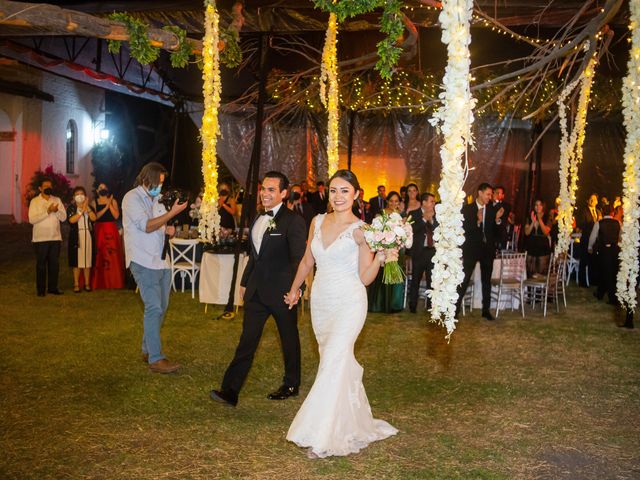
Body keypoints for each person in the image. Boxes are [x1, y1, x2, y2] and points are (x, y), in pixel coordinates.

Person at [284, 169, 398, 458]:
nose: (338, 196)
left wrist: (382, 257)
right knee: (333, 363)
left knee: (334, 360)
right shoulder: (317, 221)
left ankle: (323, 436)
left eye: (345, 191)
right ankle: (351, 422)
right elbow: (308, 260)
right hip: (321, 301)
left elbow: (365, 277)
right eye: (334, 190)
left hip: (349, 302)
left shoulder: (362, 230)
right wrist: (295, 289)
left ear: (356, 195)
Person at [210, 171, 307, 407]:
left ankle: (292, 383)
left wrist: (297, 289)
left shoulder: (293, 221)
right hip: (255, 292)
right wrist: (244, 282)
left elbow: (299, 260)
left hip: (283, 292)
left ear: (284, 194)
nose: (265, 193)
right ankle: (230, 390)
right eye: (264, 188)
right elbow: (255, 256)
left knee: (289, 338)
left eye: (271, 189)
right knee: (247, 340)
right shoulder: (257, 217)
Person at [122, 162, 188, 374]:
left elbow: (159, 225)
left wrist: (169, 229)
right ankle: (156, 359)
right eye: (157, 183)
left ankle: (147, 349)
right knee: (154, 307)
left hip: (161, 261)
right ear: (146, 179)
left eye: (161, 183)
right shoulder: (131, 198)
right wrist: (170, 215)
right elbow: (147, 225)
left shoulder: (158, 200)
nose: (160, 187)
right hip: (142, 260)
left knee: (162, 307)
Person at [455, 183, 504, 320]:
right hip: (471, 249)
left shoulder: (492, 210)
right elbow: (463, 230)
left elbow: (498, 233)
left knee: (486, 281)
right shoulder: (467, 209)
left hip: (487, 250)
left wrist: (498, 220)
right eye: (488, 194)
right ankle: (455, 309)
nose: (490, 197)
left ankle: (486, 310)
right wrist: (477, 221)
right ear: (480, 193)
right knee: (464, 279)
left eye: (491, 195)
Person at [368, 191, 406, 313]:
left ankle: (394, 304)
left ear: (399, 203)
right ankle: (380, 305)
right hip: (383, 250)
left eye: (396, 201)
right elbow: (375, 231)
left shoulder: (401, 216)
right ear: (387, 201)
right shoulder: (381, 214)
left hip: (396, 251)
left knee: (395, 276)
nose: (393, 203)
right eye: (391, 201)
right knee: (382, 277)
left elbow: (404, 234)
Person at [28, 178, 67, 296]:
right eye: (45, 185)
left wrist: (56, 211)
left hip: (55, 238)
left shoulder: (57, 200)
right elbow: (32, 219)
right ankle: (41, 290)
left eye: (50, 185)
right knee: (41, 265)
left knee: (54, 265)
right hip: (40, 239)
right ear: (40, 188)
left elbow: (64, 218)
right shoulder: (34, 201)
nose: (48, 187)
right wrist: (48, 211)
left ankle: (53, 288)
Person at [91, 182, 125, 289]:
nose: (103, 189)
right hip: (99, 230)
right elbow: (95, 217)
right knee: (99, 254)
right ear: (97, 191)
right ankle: (99, 281)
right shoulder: (94, 202)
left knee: (113, 254)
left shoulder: (113, 201)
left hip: (111, 230)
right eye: (100, 188)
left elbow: (116, 216)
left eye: (105, 187)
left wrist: (110, 203)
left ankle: (114, 281)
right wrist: (106, 206)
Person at [408, 193, 438, 313]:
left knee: (432, 281)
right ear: (424, 202)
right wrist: (424, 219)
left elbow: (438, 231)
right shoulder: (413, 214)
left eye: (434, 202)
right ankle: (413, 306)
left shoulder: (436, 215)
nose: (433, 204)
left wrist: (431, 220)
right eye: (431, 201)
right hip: (419, 252)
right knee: (416, 279)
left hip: (432, 251)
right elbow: (412, 230)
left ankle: (431, 306)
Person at [588, 205, 621, 305]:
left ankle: (612, 298)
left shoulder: (599, 223)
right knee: (611, 272)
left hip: (604, 251)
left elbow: (592, 237)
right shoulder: (618, 223)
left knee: (606, 272)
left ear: (602, 212)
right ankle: (600, 293)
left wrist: (590, 247)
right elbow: (621, 235)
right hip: (615, 250)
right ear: (612, 212)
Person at [68, 186, 96, 292]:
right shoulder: (71, 208)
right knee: (77, 261)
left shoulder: (89, 208)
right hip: (77, 236)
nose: (80, 196)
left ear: (85, 196)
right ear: (74, 197)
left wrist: (87, 208)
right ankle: (76, 284)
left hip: (88, 235)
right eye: (77, 194)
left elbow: (94, 218)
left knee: (87, 260)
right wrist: (81, 211)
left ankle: (87, 283)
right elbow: (72, 220)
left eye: (81, 194)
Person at [578, 193, 601, 287]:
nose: (592, 200)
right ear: (588, 200)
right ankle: (582, 281)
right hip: (586, 238)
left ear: (597, 201)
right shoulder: (584, 211)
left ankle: (592, 280)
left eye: (594, 199)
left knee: (593, 260)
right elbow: (581, 224)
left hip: (595, 240)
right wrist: (592, 224)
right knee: (584, 260)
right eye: (591, 199)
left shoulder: (598, 212)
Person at [524, 200, 552, 276]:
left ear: (543, 206)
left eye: (540, 205)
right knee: (530, 272)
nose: (538, 207)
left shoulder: (547, 217)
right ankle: (530, 288)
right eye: (536, 205)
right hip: (531, 245)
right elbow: (527, 232)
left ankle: (541, 288)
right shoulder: (530, 217)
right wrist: (533, 222)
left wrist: (540, 219)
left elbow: (546, 232)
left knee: (542, 273)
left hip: (542, 246)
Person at [492, 185, 512, 251]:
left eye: (499, 193)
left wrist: (497, 202)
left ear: (503, 195)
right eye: (495, 192)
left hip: (501, 234)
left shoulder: (506, 206)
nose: (496, 195)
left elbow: (503, 213)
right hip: (490, 234)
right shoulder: (488, 205)